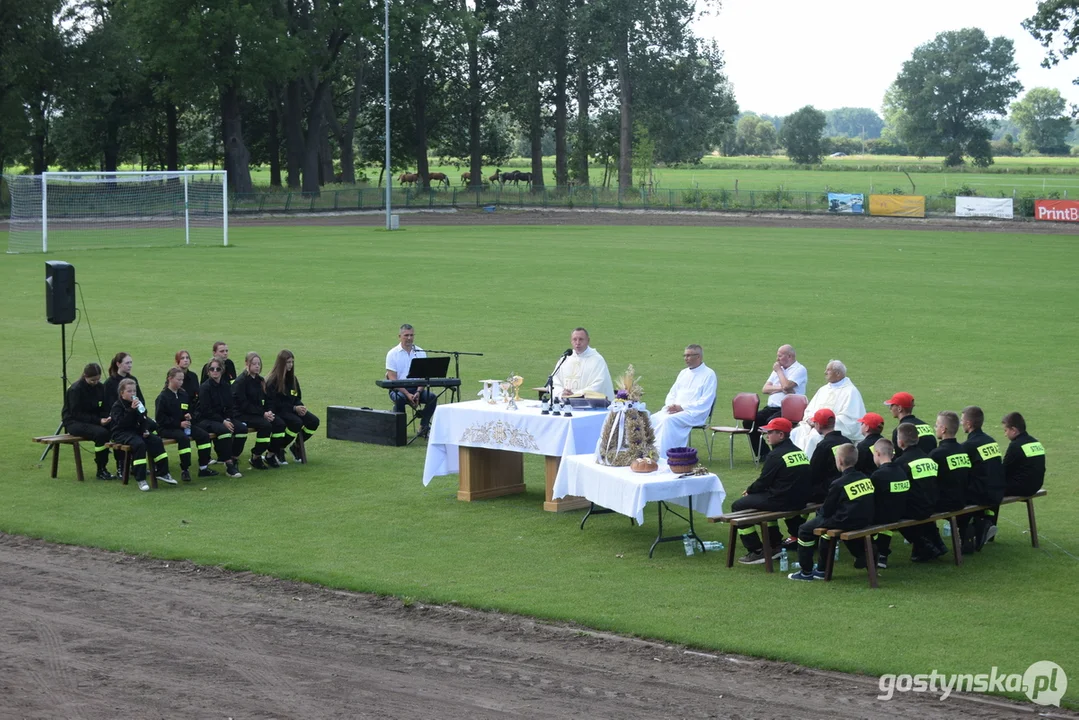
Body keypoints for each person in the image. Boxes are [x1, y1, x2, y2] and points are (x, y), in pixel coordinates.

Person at [788, 445, 875, 581]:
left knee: (804, 530)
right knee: (826, 533)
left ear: (839, 461)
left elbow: (826, 510)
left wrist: (819, 511)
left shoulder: (838, 483)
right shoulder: (865, 477)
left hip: (844, 520)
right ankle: (822, 569)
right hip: (863, 519)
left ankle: (806, 572)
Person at [731, 418, 812, 565]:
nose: (766, 435)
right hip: (800, 501)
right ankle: (775, 544)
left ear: (781, 435)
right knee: (763, 503)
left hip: (782, 501)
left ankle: (756, 550)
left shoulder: (775, 455)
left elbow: (763, 481)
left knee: (737, 506)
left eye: (770, 432)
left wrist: (749, 491)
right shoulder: (799, 452)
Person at [649, 345, 717, 457]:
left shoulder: (709, 374)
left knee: (668, 421)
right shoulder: (683, 373)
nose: (686, 358)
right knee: (653, 418)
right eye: (685, 355)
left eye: (689, 355)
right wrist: (671, 406)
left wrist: (682, 407)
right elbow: (672, 393)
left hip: (695, 413)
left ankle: (666, 455)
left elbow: (706, 400)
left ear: (698, 356)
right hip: (675, 410)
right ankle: (650, 453)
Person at [789, 360, 866, 458]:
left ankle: (808, 465)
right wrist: (810, 419)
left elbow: (849, 418)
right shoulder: (823, 389)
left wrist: (823, 423)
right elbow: (810, 409)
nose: (825, 372)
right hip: (814, 425)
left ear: (838, 373)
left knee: (814, 437)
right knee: (795, 432)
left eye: (828, 370)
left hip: (829, 429)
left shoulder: (850, 391)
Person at [110, 378, 175, 492]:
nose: (133, 394)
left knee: (156, 441)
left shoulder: (138, 404)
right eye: (129, 391)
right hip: (121, 433)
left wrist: (145, 430)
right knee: (139, 444)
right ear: (122, 393)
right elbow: (121, 423)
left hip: (136, 431)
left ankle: (163, 472)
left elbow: (145, 419)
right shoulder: (117, 406)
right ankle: (141, 479)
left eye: (134, 391)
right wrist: (131, 410)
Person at [745, 344, 808, 461]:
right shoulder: (778, 369)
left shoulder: (799, 369)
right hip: (771, 407)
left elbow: (787, 385)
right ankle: (764, 454)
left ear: (789, 356)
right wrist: (782, 388)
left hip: (788, 410)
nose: (777, 359)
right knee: (750, 422)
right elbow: (765, 389)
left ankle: (777, 454)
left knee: (773, 423)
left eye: (779, 356)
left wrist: (779, 371)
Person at [894, 423, 945, 562]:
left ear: (900, 442)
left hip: (916, 509)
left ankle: (924, 544)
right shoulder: (928, 458)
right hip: (932, 505)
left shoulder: (901, 463)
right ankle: (936, 542)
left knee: (892, 513)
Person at [155, 367, 217, 481]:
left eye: (182, 380)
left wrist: (189, 415)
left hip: (184, 425)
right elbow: (160, 419)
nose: (181, 382)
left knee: (204, 435)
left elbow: (190, 409)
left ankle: (203, 467)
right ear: (170, 379)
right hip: (166, 428)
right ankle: (185, 469)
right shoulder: (162, 397)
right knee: (183, 438)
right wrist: (179, 424)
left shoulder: (183, 394)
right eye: (178, 380)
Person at [961, 405, 1005, 552]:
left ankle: (972, 532)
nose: (961, 423)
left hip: (982, 494)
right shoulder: (991, 441)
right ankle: (983, 524)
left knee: (956, 499)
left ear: (968, 423)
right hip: (998, 490)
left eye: (962, 420)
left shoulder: (969, 446)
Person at [233, 351, 286, 470]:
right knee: (265, 426)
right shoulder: (241, 382)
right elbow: (243, 404)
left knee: (280, 424)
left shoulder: (261, 381)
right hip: (243, 414)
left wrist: (270, 411)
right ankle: (256, 456)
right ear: (247, 364)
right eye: (254, 364)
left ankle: (271, 454)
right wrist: (263, 414)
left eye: (259, 364)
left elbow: (268, 399)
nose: (257, 366)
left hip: (260, 414)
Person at [194, 359, 246, 478]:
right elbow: (206, 411)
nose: (215, 371)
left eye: (218, 369)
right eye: (212, 369)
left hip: (222, 418)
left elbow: (230, 406)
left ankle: (233, 458)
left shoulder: (226, 386)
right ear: (208, 372)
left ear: (222, 371)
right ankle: (228, 465)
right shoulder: (204, 388)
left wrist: (227, 419)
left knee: (242, 429)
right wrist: (223, 421)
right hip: (205, 419)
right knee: (225, 431)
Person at [265, 349, 320, 464]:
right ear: (281, 363)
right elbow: (275, 403)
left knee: (314, 421)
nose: (290, 365)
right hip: (279, 411)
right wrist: (294, 408)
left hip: (291, 409)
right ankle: (279, 448)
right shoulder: (272, 381)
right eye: (288, 362)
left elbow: (297, 397)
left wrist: (300, 406)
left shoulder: (292, 379)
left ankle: (296, 446)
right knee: (296, 423)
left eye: (292, 362)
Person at [62, 362, 115, 480]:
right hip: (74, 422)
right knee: (101, 433)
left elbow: (104, 407)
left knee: (116, 427)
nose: (95, 383)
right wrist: (98, 421)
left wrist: (106, 417)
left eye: (97, 380)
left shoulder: (100, 387)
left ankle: (123, 465)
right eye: (92, 380)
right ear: (85, 376)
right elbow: (76, 413)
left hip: (93, 420)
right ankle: (101, 469)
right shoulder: (75, 390)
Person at [103, 352, 152, 474]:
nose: (130, 365)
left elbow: (140, 398)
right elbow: (109, 403)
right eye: (127, 363)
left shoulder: (132, 380)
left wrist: (142, 412)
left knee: (152, 425)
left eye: (131, 363)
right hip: (118, 418)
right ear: (118, 364)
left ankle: (143, 461)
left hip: (134, 414)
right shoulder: (110, 382)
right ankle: (121, 465)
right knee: (122, 433)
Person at [385, 324, 437, 437]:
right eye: (406, 335)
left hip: (418, 388)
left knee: (432, 398)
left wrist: (418, 392)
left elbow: (424, 377)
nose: (409, 338)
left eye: (411, 335)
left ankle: (423, 427)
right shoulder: (392, 354)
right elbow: (392, 379)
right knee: (400, 399)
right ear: (400, 336)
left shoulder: (421, 352)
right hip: (398, 389)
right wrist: (408, 394)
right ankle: (399, 429)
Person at [869, 438, 909, 569]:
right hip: (899, 513)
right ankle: (883, 552)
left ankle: (866, 554)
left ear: (878, 453)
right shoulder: (901, 471)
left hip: (883, 516)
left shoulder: (878, 475)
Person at [550, 327, 614, 400]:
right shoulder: (566, 358)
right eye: (574, 339)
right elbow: (554, 381)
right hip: (564, 403)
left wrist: (576, 395)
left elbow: (599, 384)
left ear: (588, 341)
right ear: (571, 341)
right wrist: (561, 393)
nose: (577, 343)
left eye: (581, 339)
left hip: (588, 406)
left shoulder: (597, 360)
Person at [805, 408, 853, 503]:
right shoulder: (847, 441)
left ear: (818, 425)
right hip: (847, 485)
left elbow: (814, 472)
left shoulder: (823, 446)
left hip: (828, 491)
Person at [930, 411, 969, 515]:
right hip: (963, 501)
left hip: (944, 504)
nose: (935, 428)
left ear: (943, 429)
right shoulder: (963, 450)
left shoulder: (936, 454)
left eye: (936, 425)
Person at [1001, 412, 1045, 498]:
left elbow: (1004, 470)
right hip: (1036, 485)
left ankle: (987, 512)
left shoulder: (1016, 445)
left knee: (990, 490)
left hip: (1022, 488)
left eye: (1006, 431)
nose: (1005, 434)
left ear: (1013, 430)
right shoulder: (1035, 442)